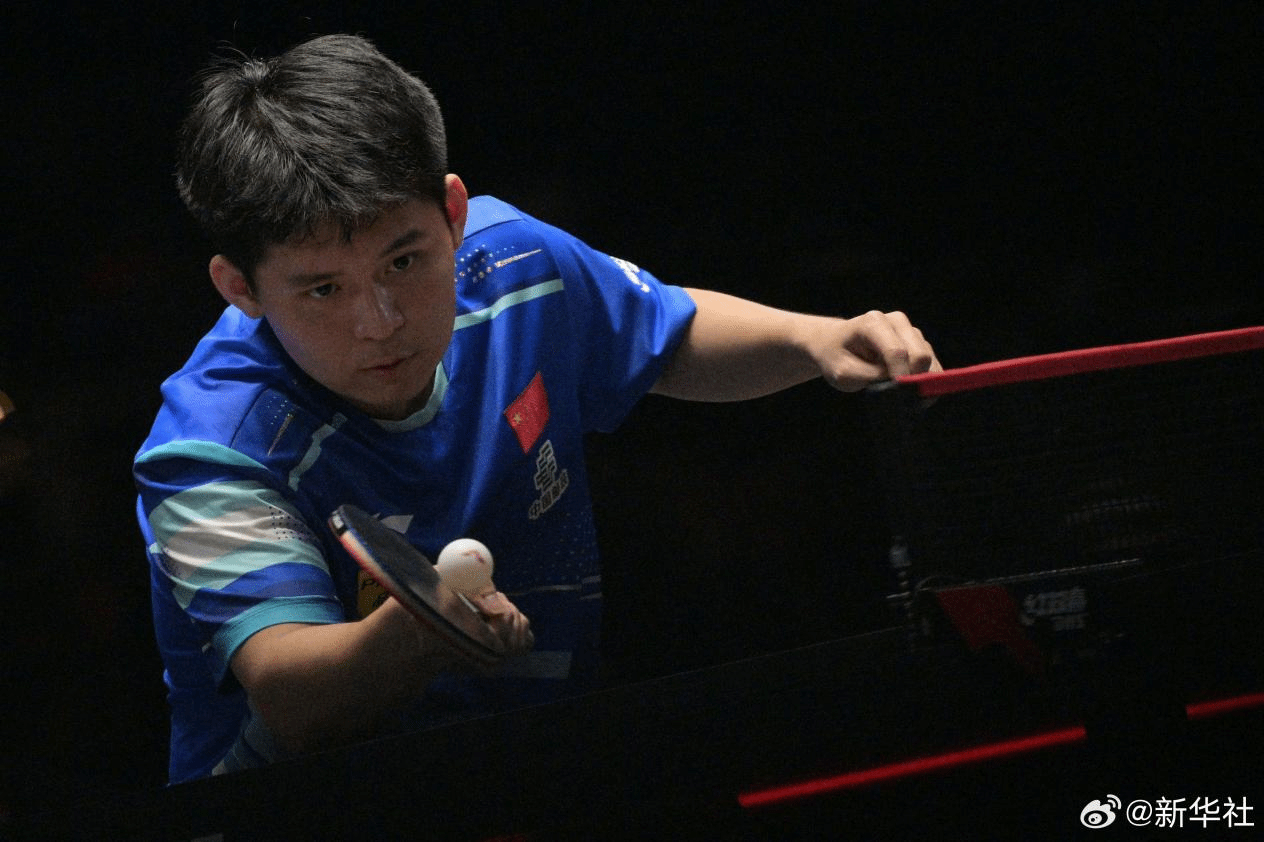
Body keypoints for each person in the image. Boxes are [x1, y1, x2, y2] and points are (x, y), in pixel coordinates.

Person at [135, 33, 940, 784]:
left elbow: (667, 334)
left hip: (546, 768)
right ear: (240, 288)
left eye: (404, 261)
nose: (378, 321)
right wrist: (419, 630)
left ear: (453, 213)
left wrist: (816, 339)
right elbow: (295, 701)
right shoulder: (211, 448)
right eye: (322, 289)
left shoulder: (516, 264)